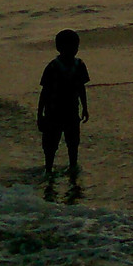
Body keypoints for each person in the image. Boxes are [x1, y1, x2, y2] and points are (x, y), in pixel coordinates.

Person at [37, 29, 89, 176]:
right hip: (53, 113)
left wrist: (85, 108)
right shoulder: (52, 67)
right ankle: (48, 170)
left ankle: (73, 168)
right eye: (69, 47)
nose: (72, 50)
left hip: (72, 112)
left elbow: (81, 88)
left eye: (75, 47)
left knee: (73, 143)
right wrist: (40, 114)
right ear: (59, 48)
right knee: (50, 145)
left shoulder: (79, 65)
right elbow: (44, 92)